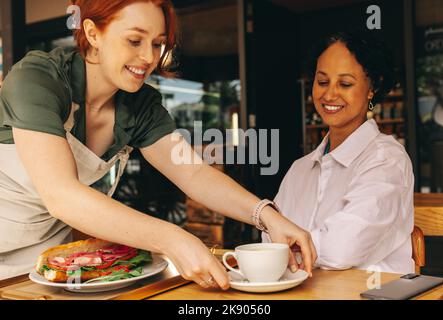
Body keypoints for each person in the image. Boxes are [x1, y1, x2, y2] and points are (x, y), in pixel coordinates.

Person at [0, 0, 317, 284]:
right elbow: (61, 195)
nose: (149, 57)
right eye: (134, 40)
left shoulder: (139, 104)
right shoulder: (38, 79)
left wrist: (267, 215)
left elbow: (192, 173)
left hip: (44, 255)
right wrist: (172, 238)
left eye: (157, 43)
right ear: (92, 33)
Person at [263, 31, 415, 274]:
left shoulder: (385, 160)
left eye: (345, 84)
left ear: (371, 88)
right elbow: (268, 238)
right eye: (322, 82)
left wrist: (289, 247)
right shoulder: (300, 169)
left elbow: (343, 249)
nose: (330, 94)